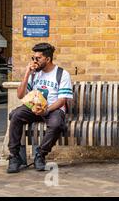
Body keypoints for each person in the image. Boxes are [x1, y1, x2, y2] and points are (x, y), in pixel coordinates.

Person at [7, 43, 73, 173]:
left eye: (38, 58)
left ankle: (40, 155)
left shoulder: (62, 74)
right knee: (15, 115)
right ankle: (14, 156)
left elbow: (62, 100)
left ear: (47, 59)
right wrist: (27, 73)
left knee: (56, 124)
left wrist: (46, 110)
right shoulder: (34, 74)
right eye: (33, 58)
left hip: (53, 109)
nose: (34, 61)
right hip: (33, 108)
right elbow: (20, 95)